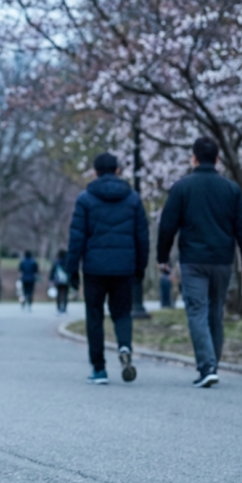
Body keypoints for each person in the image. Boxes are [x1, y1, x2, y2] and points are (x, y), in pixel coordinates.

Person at [157, 137, 242, 387]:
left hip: (193, 260)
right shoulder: (231, 189)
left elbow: (167, 225)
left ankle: (207, 366)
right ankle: (212, 365)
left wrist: (162, 258)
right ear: (218, 160)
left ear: (194, 158)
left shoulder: (182, 187)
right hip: (223, 260)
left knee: (197, 311)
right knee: (215, 313)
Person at [66, 152, 149, 385]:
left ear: (95, 172)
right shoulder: (133, 199)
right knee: (122, 312)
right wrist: (139, 267)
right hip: (124, 267)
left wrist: (72, 269)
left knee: (94, 315)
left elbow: (76, 237)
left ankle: (99, 368)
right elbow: (141, 237)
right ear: (117, 171)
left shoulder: (85, 199)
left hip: (94, 268)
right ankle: (124, 346)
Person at [51, 250, 70, 314]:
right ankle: (64, 308)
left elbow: (52, 271)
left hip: (58, 281)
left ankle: (59, 308)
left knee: (59, 294)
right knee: (65, 294)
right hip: (66, 281)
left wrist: (51, 279)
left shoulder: (57, 262)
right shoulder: (68, 262)